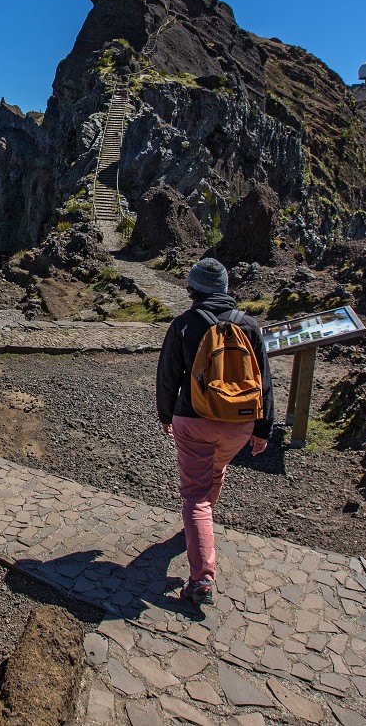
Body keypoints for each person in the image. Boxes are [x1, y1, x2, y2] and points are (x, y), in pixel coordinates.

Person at [156, 257, 274, 606]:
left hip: (193, 421)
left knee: (195, 495)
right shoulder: (250, 326)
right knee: (216, 471)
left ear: (192, 289)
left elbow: (167, 378)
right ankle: (199, 528)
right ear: (224, 289)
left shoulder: (183, 325)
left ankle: (202, 579)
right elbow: (264, 382)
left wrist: (166, 415)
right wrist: (263, 429)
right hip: (240, 424)